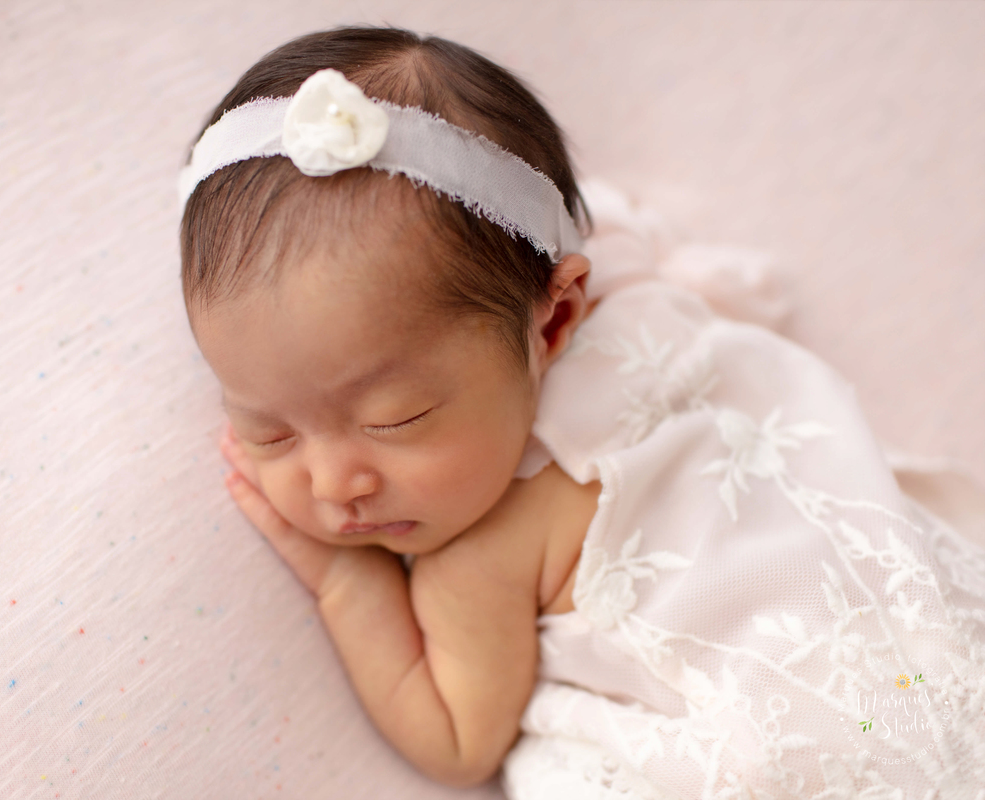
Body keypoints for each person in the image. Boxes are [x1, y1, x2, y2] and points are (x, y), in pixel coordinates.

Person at [178, 26, 985, 799]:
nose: (333, 482)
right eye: (268, 430)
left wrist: (347, 584)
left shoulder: (479, 557)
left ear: (557, 319)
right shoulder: (641, 296)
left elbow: (460, 741)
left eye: (395, 419)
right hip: (915, 663)